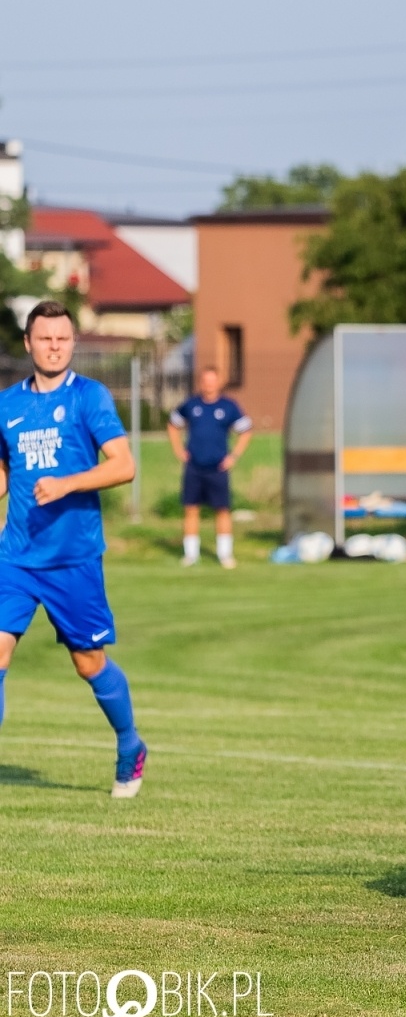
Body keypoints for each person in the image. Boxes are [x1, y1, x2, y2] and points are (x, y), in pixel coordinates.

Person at [0, 301, 146, 797]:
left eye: (62, 339)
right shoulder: (7, 406)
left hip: (73, 560)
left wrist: (67, 483)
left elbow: (124, 465)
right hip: (15, 557)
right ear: (28, 343)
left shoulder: (90, 397)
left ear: (73, 342)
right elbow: (6, 472)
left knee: (88, 662)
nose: (54, 347)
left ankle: (130, 744)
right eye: (45, 338)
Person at [168, 366, 253, 569]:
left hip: (218, 468)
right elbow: (173, 425)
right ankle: (191, 555)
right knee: (191, 509)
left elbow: (246, 430)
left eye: (212, 381)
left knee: (222, 510)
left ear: (218, 382)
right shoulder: (191, 405)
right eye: (205, 381)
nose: (209, 385)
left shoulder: (228, 406)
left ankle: (225, 555)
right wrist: (179, 450)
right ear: (201, 382)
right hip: (194, 467)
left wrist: (234, 456)